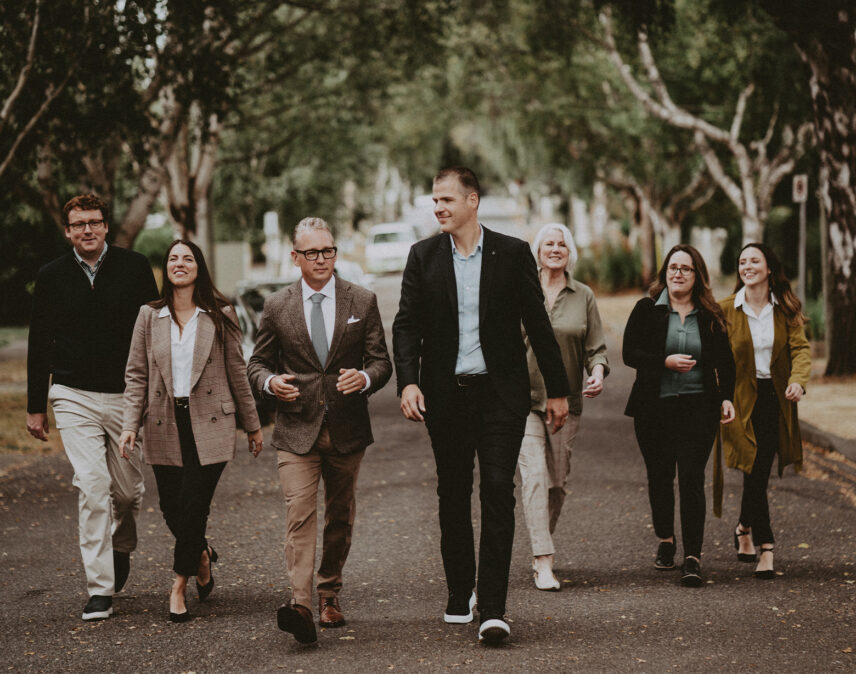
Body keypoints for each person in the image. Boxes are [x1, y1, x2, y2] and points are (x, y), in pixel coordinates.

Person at [392, 167, 570, 644]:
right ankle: (460, 591)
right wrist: (408, 383)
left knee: (496, 490)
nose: (439, 208)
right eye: (435, 200)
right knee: (452, 493)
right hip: (445, 397)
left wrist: (557, 390)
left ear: (472, 201)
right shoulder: (423, 256)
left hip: (500, 395)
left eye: (447, 199)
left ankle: (493, 607)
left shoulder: (511, 253)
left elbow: (537, 322)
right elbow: (406, 325)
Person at [248, 217, 391, 645]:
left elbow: (381, 362)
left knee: (340, 515)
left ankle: (329, 591)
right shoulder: (277, 306)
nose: (321, 259)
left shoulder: (361, 300)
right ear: (296, 257)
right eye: (312, 252)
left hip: (347, 428)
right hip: (296, 430)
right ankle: (301, 606)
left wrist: (364, 379)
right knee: (300, 513)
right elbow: (257, 364)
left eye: (327, 250)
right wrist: (270, 383)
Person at [26, 194, 158, 621]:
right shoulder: (51, 276)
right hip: (73, 394)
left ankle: (121, 547)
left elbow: (154, 333)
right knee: (92, 485)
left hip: (126, 395)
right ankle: (100, 588)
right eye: (79, 224)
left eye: (94, 222)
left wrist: (155, 393)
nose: (88, 230)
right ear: (68, 232)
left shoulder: (134, 267)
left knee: (127, 493)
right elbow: (39, 342)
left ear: (106, 227)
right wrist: (36, 406)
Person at [120, 240, 263, 622]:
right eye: (172, 258)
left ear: (199, 267)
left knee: (194, 504)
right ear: (165, 269)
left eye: (187, 258)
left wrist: (252, 425)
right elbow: (136, 375)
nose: (179, 263)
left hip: (211, 422)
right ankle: (201, 554)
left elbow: (237, 372)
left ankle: (178, 586)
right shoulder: (149, 316)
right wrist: (129, 425)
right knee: (172, 507)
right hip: (164, 421)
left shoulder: (220, 314)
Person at [623, 244, 735, 587]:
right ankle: (666, 540)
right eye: (673, 267)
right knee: (660, 477)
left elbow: (726, 362)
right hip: (653, 410)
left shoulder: (710, 315)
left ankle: (693, 557)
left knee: (691, 478)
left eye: (685, 268)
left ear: (697, 275)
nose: (678, 274)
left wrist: (727, 398)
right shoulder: (647, 309)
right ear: (665, 272)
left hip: (698, 409)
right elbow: (629, 353)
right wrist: (664, 362)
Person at [518, 223, 609, 591]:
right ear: (538, 252)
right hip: (524, 400)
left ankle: (541, 544)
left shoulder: (583, 295)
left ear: (570, 253)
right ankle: (544, 560)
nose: (555, 249)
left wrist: (597, 373)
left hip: (565, 403)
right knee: (535, 476)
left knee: (556, 484)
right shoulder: (522, 290)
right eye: (548, 244)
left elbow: (596, 348)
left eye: (562, 245)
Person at [718, 243, 810, 580]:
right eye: (742, 261)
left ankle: (744, 527)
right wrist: (719, 395)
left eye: (754, 261)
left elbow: (801, 349)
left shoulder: (786, 308)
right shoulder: (725, 309)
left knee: (758, 472)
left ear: (769, 268)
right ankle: (766, 546)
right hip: (739, 400)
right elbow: (716, 356)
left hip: (774, 398)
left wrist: (798, 381)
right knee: (752, 467)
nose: (747, 266)